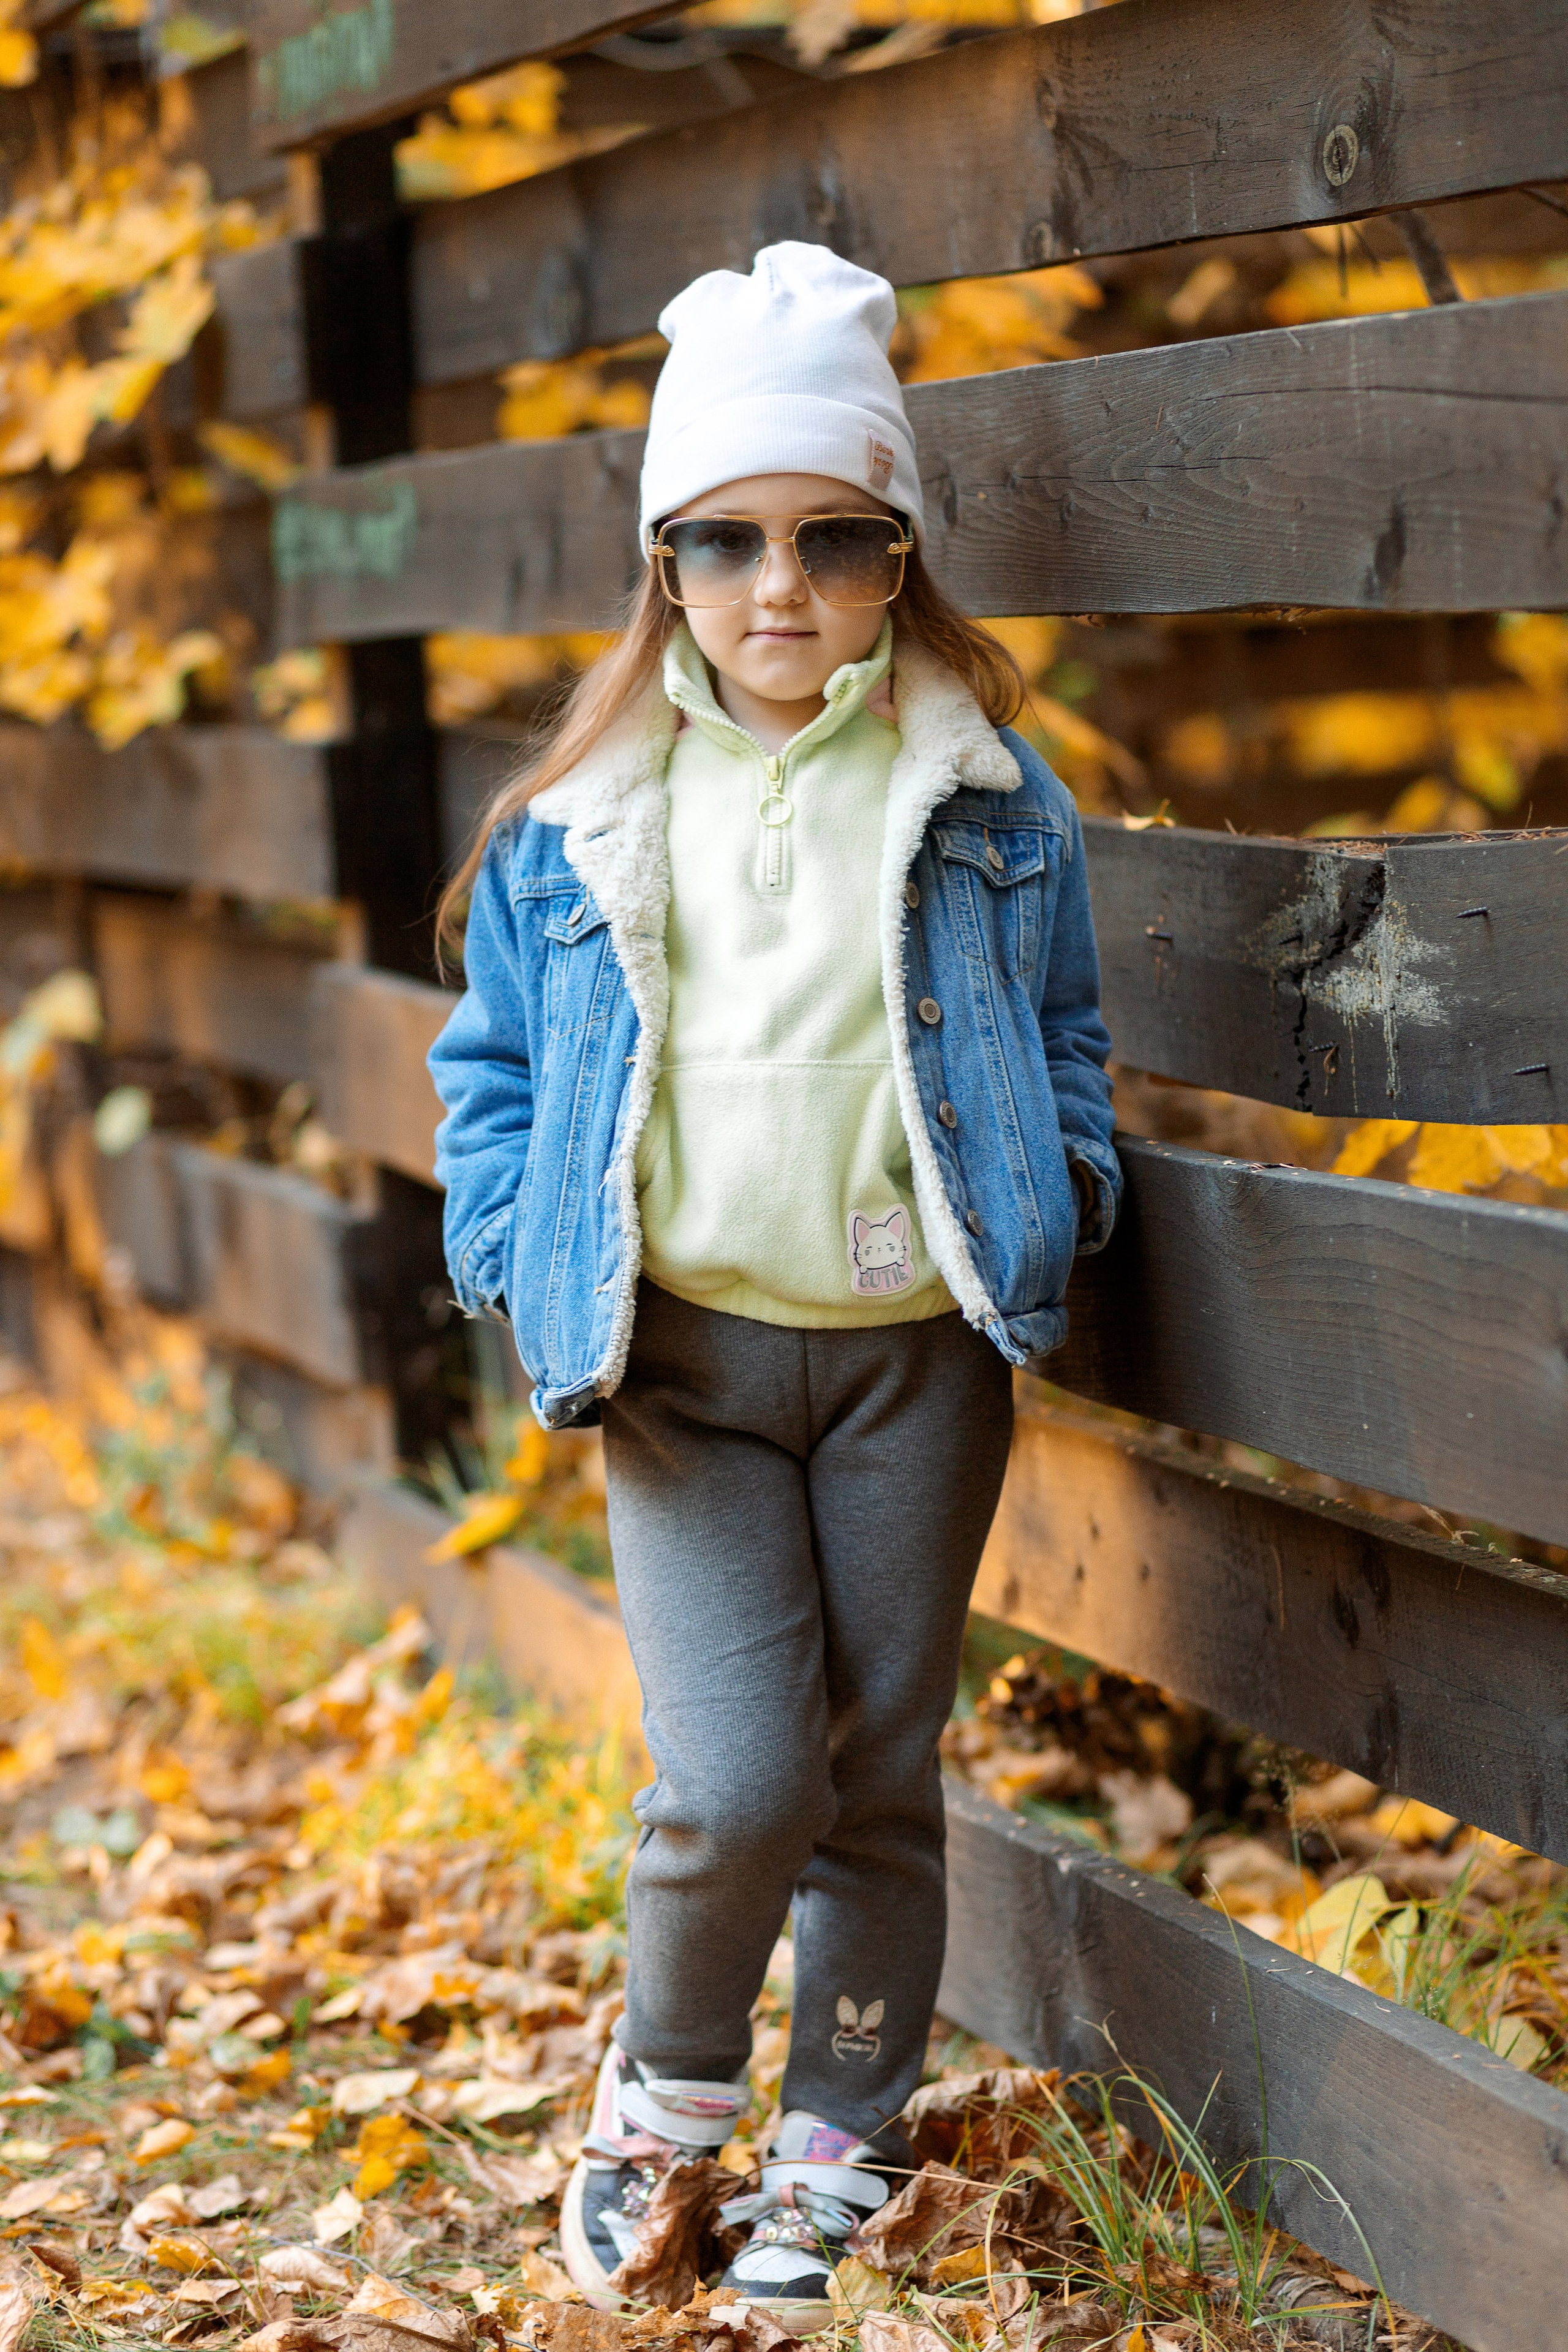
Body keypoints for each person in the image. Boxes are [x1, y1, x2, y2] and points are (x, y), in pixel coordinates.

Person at [428, 241, 1120, 2326]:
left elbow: (1063, 1031)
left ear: (899, 559)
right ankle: (662, 2099)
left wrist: (1058, 1187)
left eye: (835, 538)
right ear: (664, 568)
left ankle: (839, 2141)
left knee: (876, 1774)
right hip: (689, 1372)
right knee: (738, 1782)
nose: (779, 586)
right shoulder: (579, 824)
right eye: (723, 541)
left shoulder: (988, 801)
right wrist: (503, 1247)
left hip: (918, 1362)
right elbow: (494, 1074)